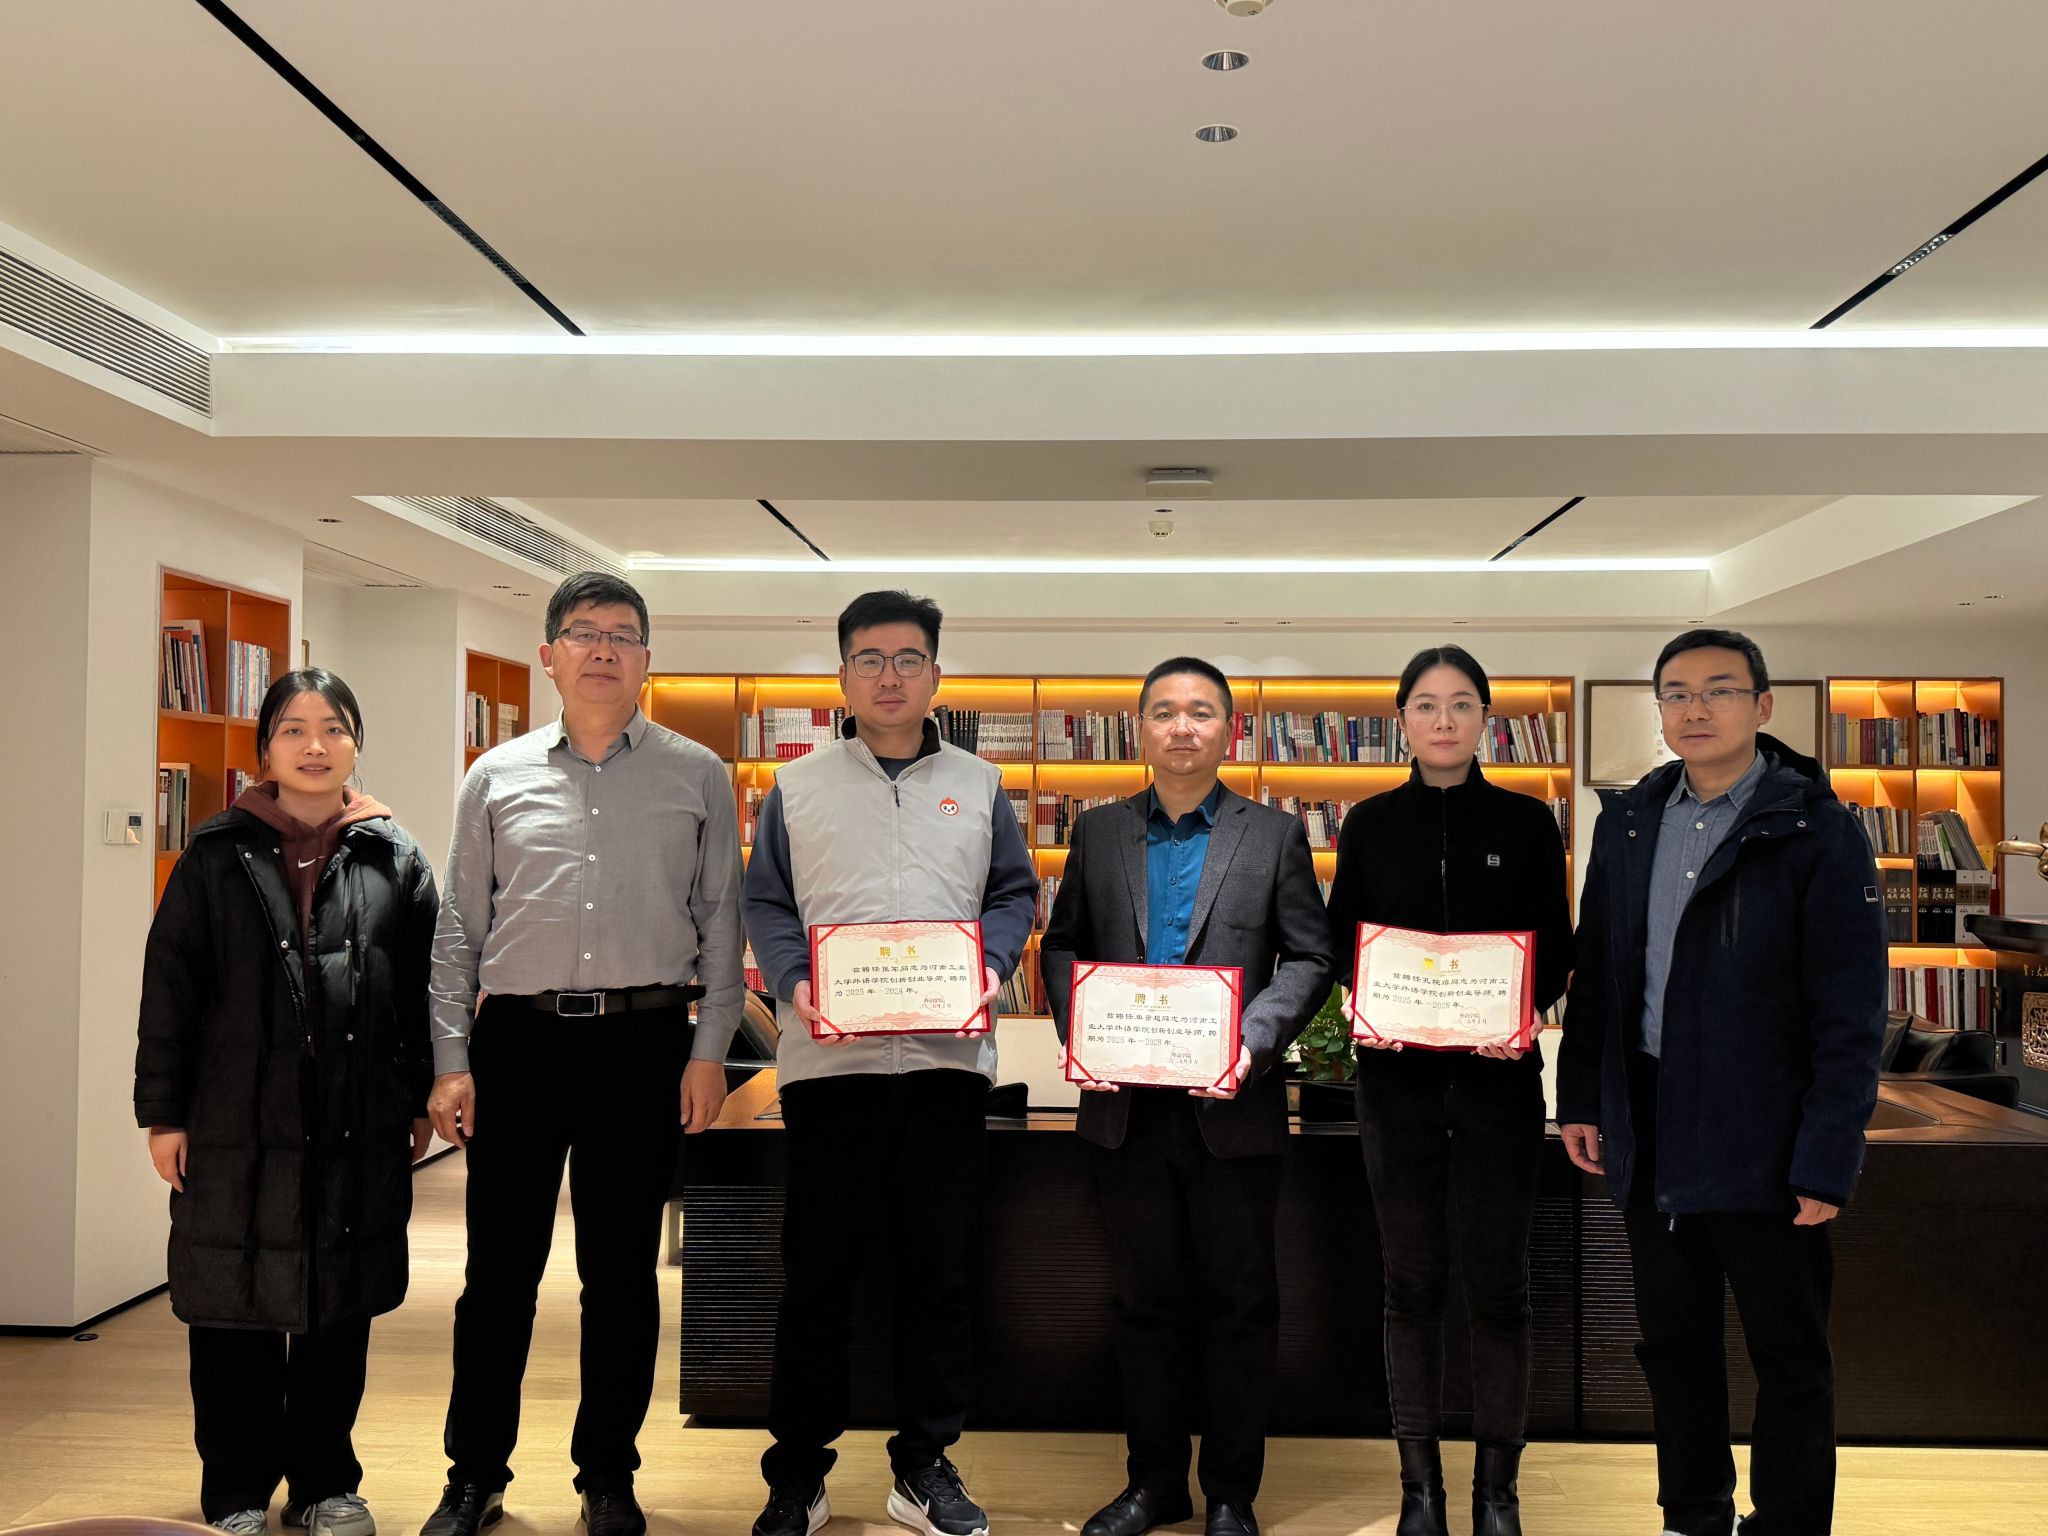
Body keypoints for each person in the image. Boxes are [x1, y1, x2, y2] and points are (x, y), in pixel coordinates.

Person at [421, 571, 744, 1536]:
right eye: (583, 632)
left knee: (622, 1276)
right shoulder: (495, 775)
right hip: (518, 1045)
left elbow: (721, 920)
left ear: (646, 659)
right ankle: (474, 1475)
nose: (602, 648)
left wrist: (709, 1050)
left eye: (622, 634)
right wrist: (451, 1058)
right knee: (498, 1275)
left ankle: (608, 1475)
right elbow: (458, 929)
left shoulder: (697, 773)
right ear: (549, 655)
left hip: (645, 1044)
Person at [1558, 629, 1886, 1536]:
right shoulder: (1628, 822)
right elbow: (1600, 974)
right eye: (1677, 693)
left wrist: (1828, 1153)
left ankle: (1787, 1523)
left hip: (1767, 1137)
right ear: (1660, 710)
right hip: (1652, 1123)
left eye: (1719, 690)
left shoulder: (1816, 827)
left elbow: (1851, 1008)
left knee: (1789, 1353)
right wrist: (1582, 1098)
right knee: (1673, 1344)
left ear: (1762, 706)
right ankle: (1693, 1513)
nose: (1695, 709)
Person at [742, 590, 1038, 1536]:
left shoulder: (981, 785)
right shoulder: (797, 787)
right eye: (869, 659)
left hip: (948, 1064)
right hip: (831, 1069)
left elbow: (1014, 894)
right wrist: (793, 982)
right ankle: (798, 1473)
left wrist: (990, 966)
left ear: (936, 675)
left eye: (909, 659)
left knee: (937, 1275)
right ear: (842, 675)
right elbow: (767, 903)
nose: (889, 676)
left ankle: (924, 1467)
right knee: (817, 1278)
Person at [136, 669, 439, 1536]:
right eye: (294, 729)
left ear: (355, 745)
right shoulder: (214, 855)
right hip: (234, 1120)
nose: (315, 745)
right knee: (229, 1306)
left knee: (336, 1308)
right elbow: (170, 991)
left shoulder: (395, 857)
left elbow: (423, 990)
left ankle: (323, 1484)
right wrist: (164, 1114)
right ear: (264, 749)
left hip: (354, 1119)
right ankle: (234, 1492)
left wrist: (418, 1096)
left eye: (333, 728)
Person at [1042, 657, 1335, 1536]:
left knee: (1240, 1306)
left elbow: (1311, 956)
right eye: (1164, 711)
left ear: (1229, 730)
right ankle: (1155, 1483)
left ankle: (1232, 1494)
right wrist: (1082, 1029)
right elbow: (1063, 944)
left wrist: (1252, 1039)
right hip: (1125, 1108)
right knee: (1144, 1304)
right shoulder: (1098, 832)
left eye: (1201, 712)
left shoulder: (1273, 835)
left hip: (1232, 1109)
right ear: (1140, 728)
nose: (1182, 726)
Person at [1322, 646, 1575, 1536]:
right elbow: (1342, 940)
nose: (1443, 719)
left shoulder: (1528, 821)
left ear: (1485, 721)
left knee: (1501, 1286)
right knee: (1412, 1285)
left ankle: (1497, 1493)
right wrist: (1367, 994)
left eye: (1462, 704)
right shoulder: (1368, 824)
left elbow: (1557, 946)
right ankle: (1419, 1491)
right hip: (1396, 1087)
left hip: (1499, 1085)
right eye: (1426, 704)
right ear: (1401, 720)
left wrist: (1520, 1006)